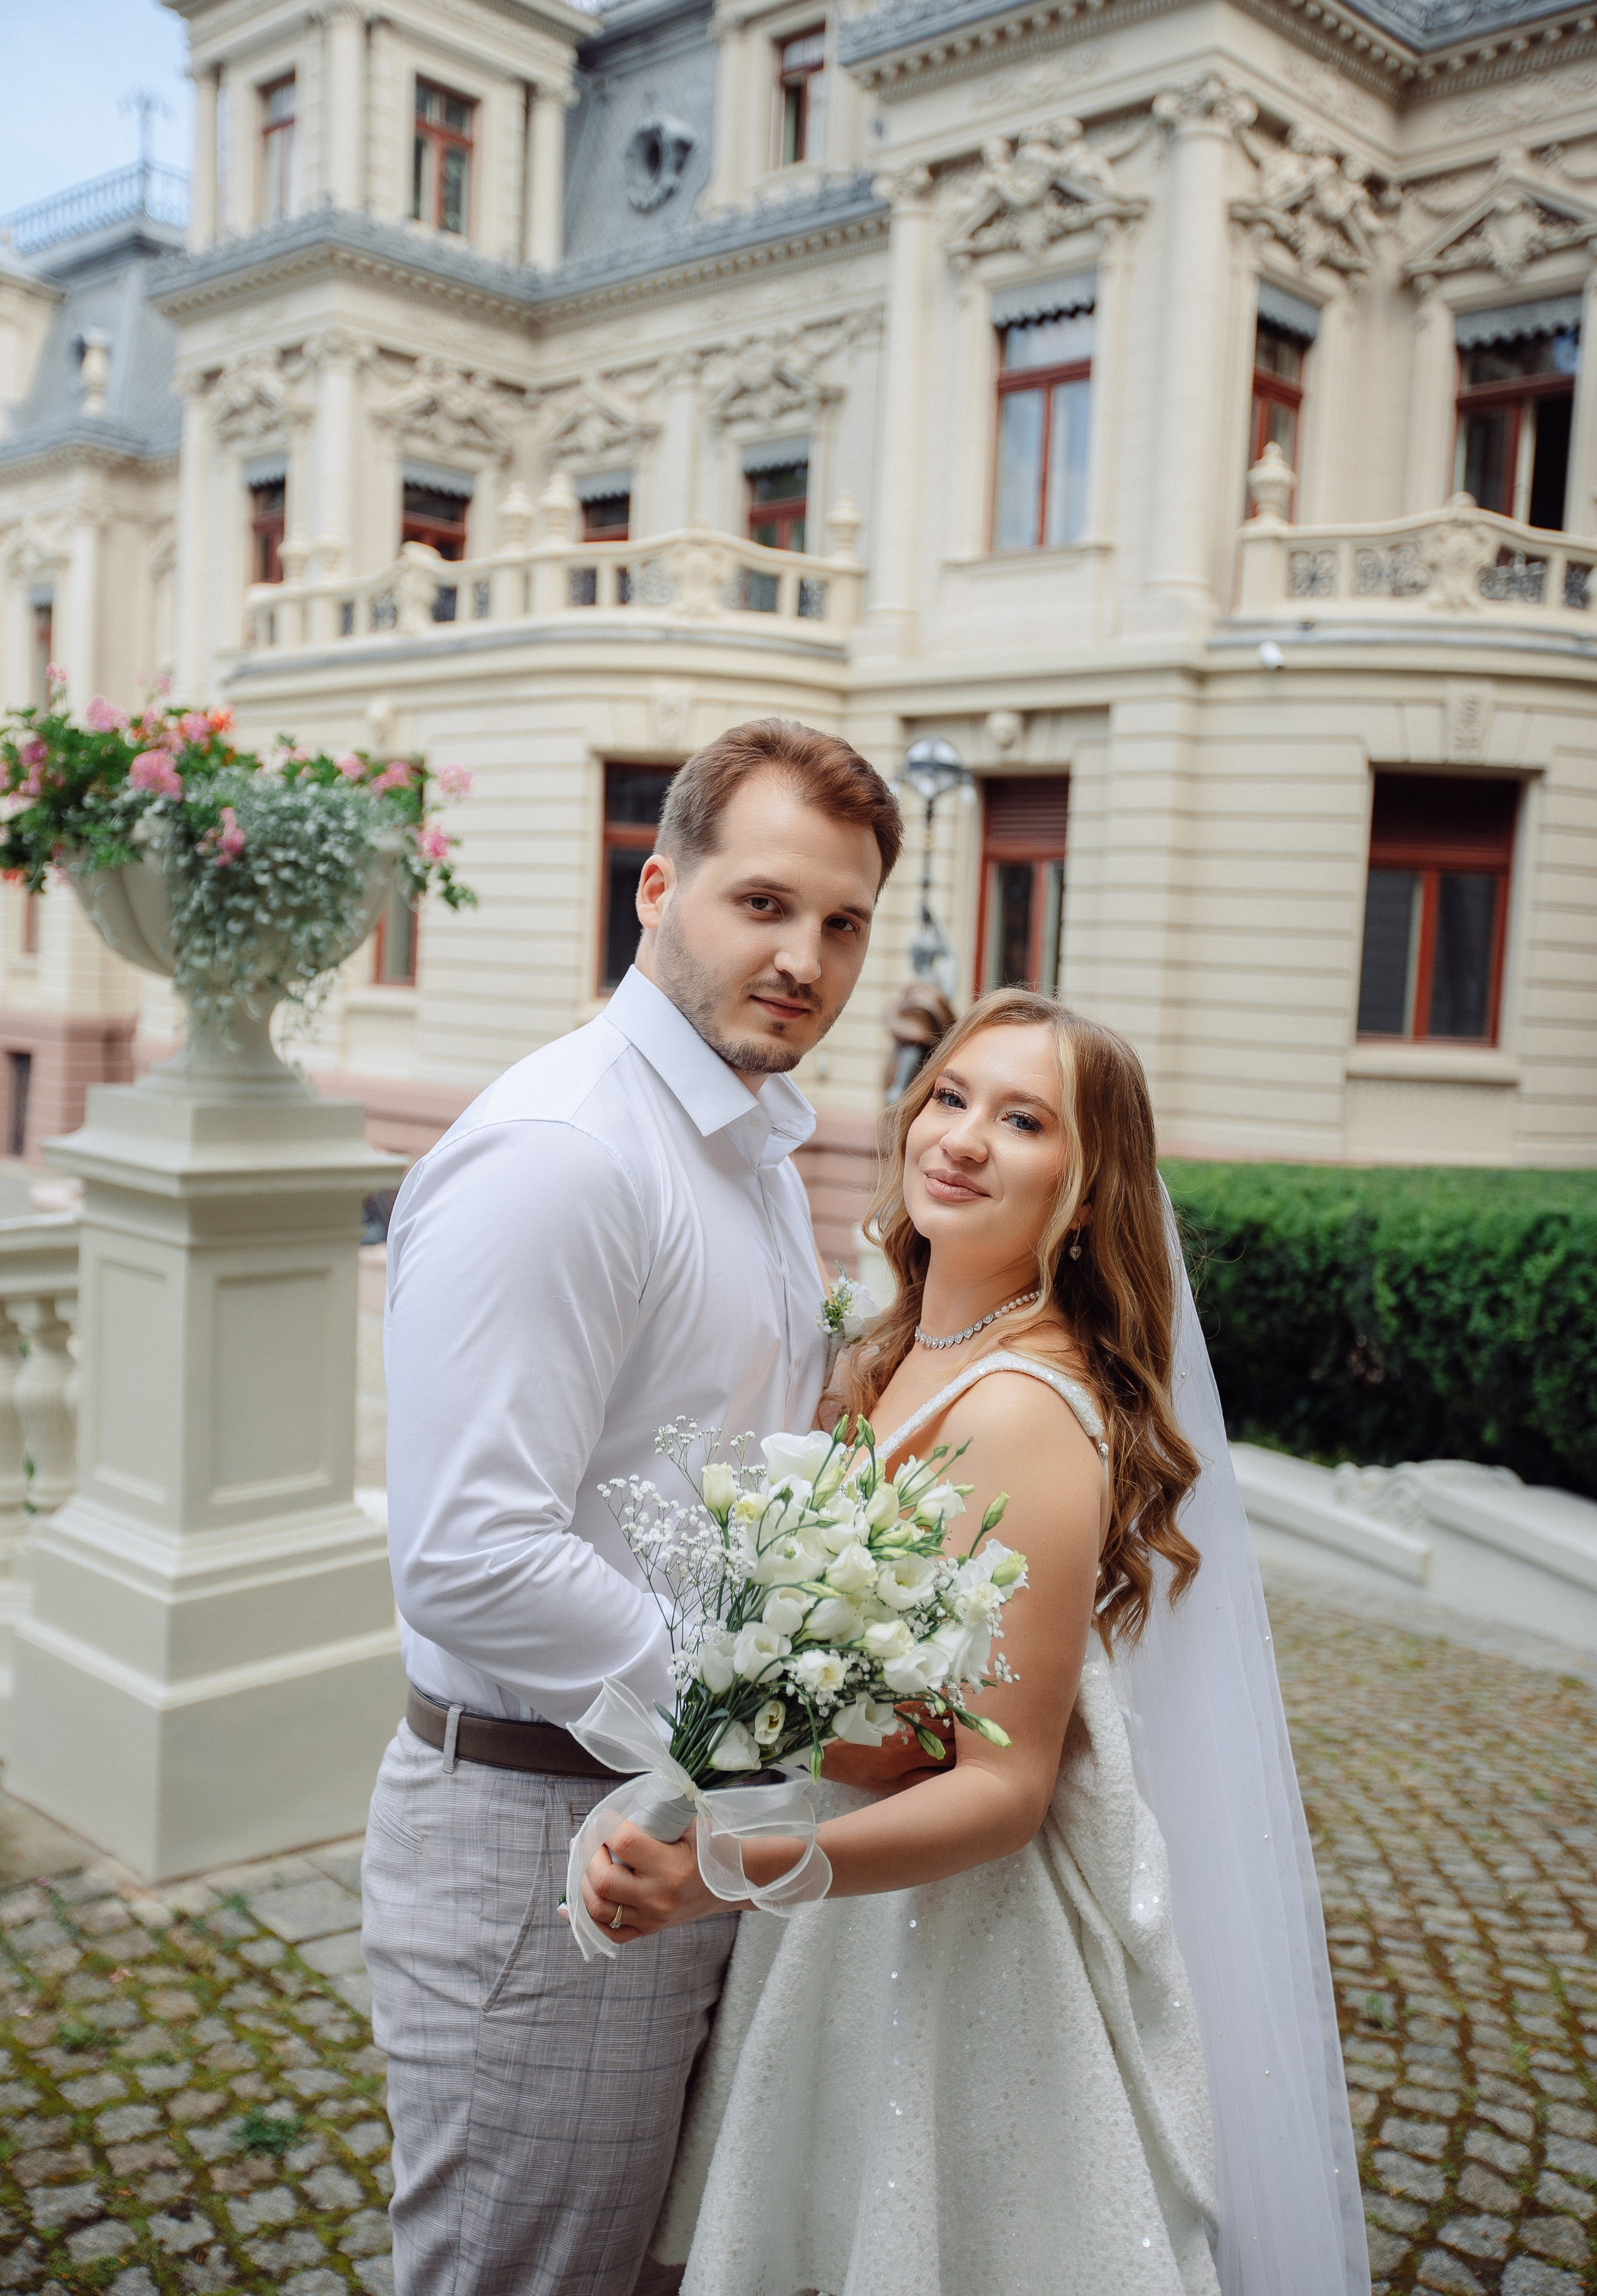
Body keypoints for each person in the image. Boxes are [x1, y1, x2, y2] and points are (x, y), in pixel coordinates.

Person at [578, 990, 1372, 2296]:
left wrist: (728, 1872)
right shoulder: (897, 1347)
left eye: (1020, 1120)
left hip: (952, 1955)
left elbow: (1005, 1791)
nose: (959, 1136)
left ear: (1085, 1181)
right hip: (845, 1916)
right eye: (947, 1095)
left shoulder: (1021, 1406)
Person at [361, 718, 903, 2296]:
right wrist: (763, 1722)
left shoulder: (736, 1141)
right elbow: (470, 1556)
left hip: (673, 1820)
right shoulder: (567, 1151)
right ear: (657, 887)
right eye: (762, 903)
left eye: (843, 922)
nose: (804, 956)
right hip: (542, 1843)